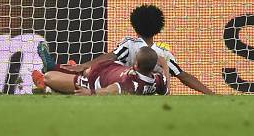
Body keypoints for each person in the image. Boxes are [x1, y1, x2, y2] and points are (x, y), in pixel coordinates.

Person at [38, 4, 215, 94]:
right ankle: (58, 74)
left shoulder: (130, 44)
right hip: (128, 82)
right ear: (158, 29)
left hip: (111, 78)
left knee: (88, 72)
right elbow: (184, 76)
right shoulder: (164, 55)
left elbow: (109, 56)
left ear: (135, 26)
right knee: (89, 73)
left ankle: (57, 71)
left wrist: (85, 64)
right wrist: (210, 93)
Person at [33, 46, 169, 96]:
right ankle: (66, 70)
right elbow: (166, 89)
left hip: (92, 81)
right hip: (109, 67)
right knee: (83, 70)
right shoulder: (157, 80)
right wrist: (165, 64)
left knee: (48, 77)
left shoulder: (131, 83)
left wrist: (90, 92)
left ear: (136, 64)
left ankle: (49, 77)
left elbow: (112, 90)